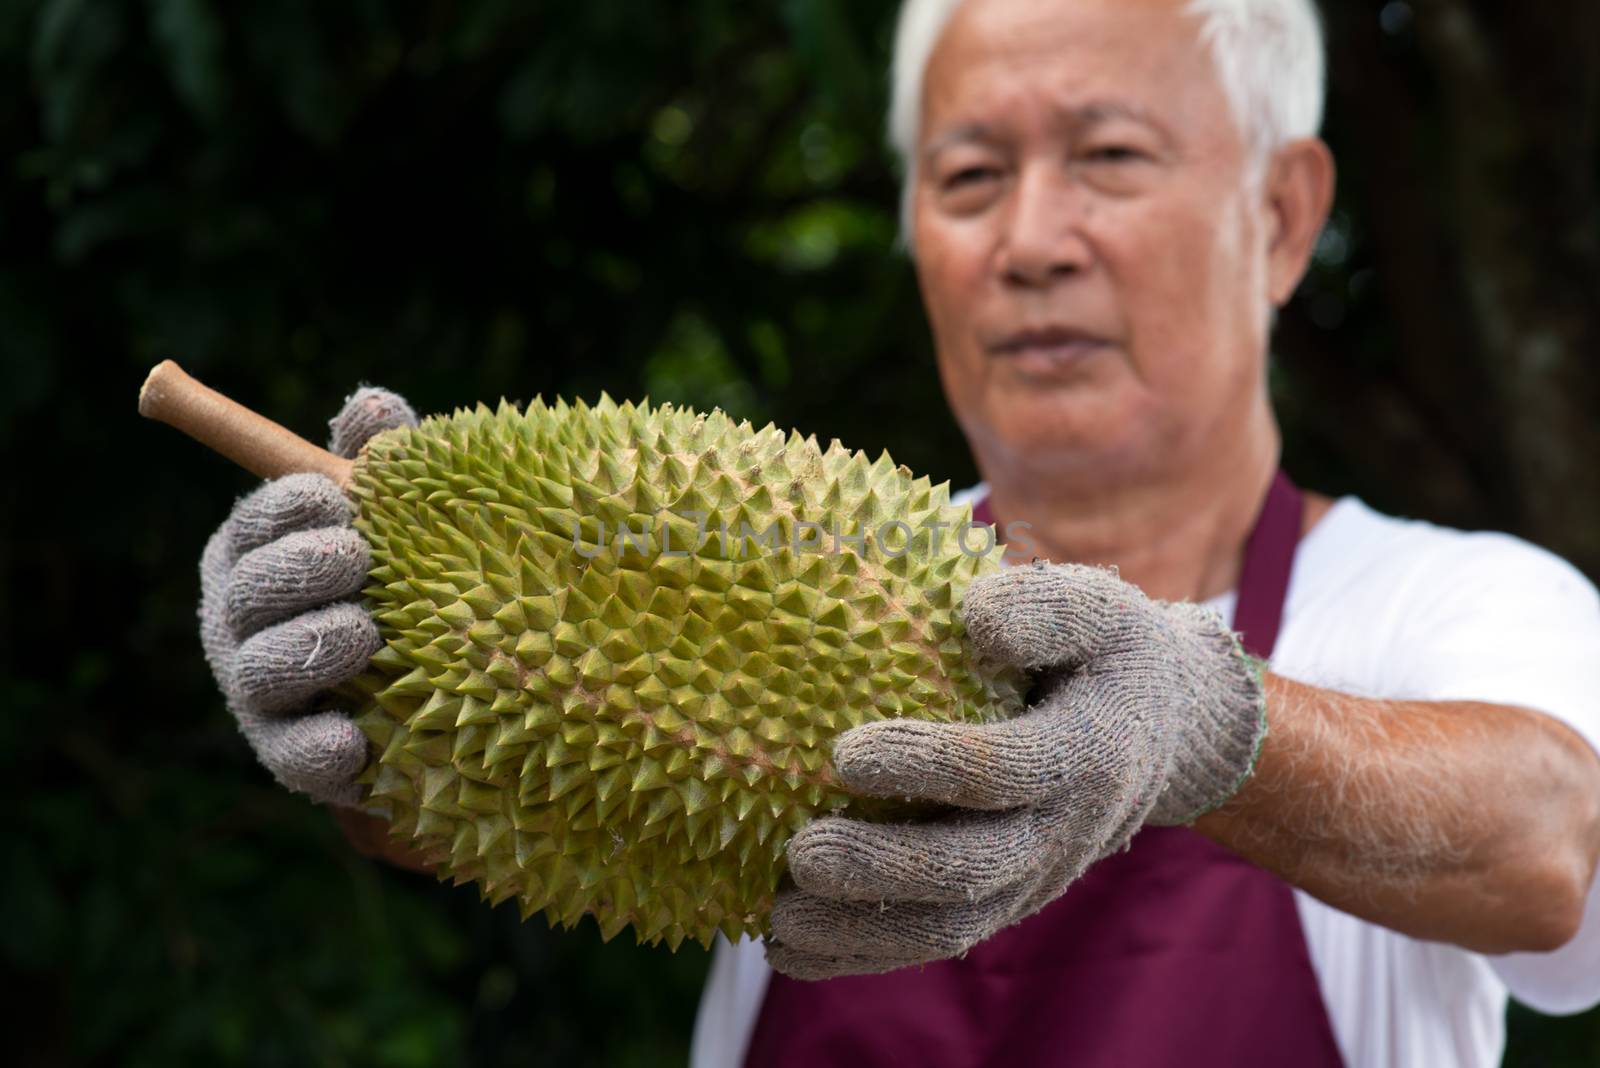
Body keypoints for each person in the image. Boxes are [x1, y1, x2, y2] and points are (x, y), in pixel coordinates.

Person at [195, 0, 1600, 1065]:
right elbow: (559, 768)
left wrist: (1203, 728)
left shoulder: (1448, 603)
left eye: (1109, 156)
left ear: (1285, 218)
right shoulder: (782, 573)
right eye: (970, 177)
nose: (1032, 240)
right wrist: (367, 697)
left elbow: (1554, 846)